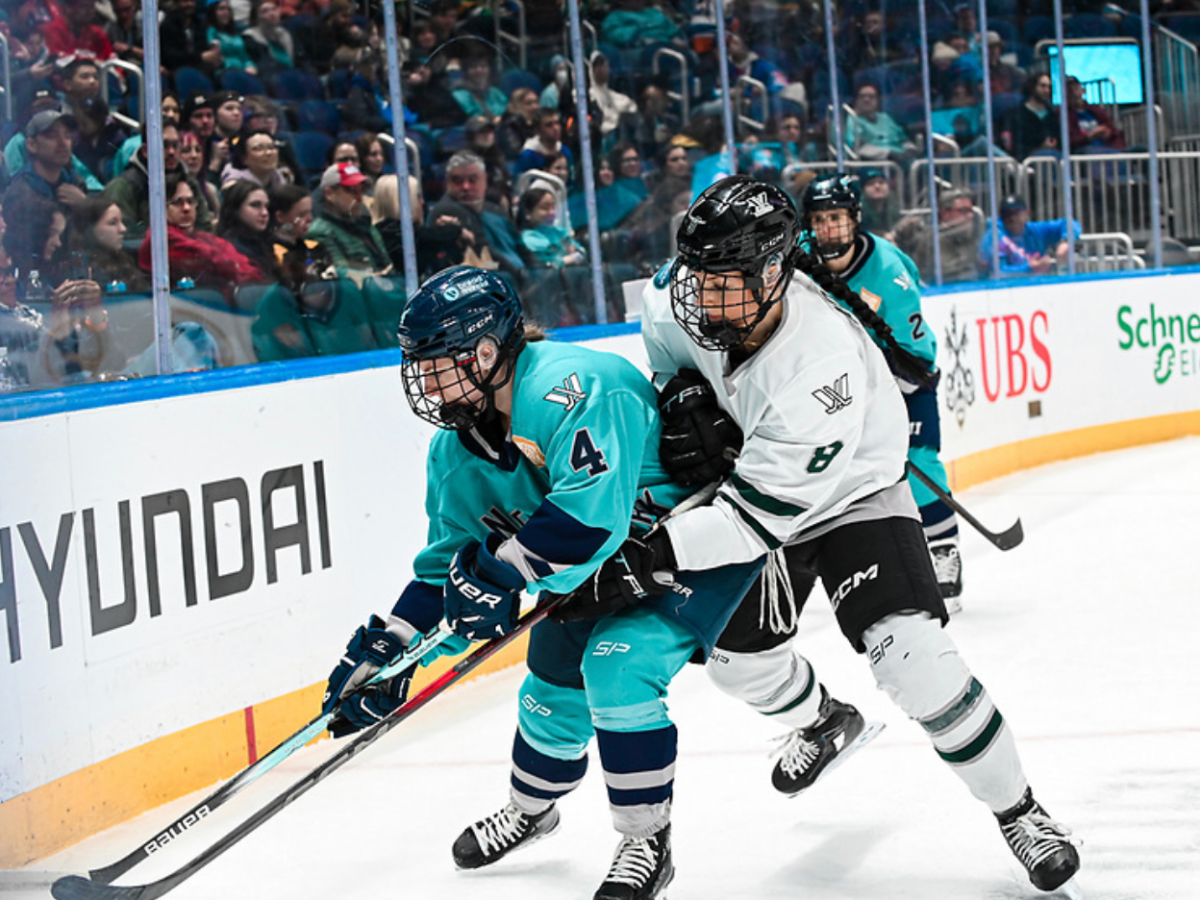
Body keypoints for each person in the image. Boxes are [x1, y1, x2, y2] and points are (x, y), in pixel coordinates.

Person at [638, 174, 1081, 895]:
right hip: (760, 487)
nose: (703, 299)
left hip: (852, 494)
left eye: (725, 283)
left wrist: (655, 553)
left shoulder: (822, 360)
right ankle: (822, 721)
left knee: (914, 656)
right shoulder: (674, 297)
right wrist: (680, 390)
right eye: (699, 279)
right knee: (733, 664)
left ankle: (1020, 812)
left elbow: (756, 520)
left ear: (774, 272)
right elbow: (666, 353)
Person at [319, 264, 763, 900]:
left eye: (437, 364)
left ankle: (646, 840)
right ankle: (532, 811)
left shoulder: (576, 386)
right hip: (589, 573)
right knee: (550, 691)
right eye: (418, 367)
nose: (425, 382)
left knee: (618, 669)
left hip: (684, 547)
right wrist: (395, 650)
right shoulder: (456, 449)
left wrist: (498, 576)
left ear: (486, 352)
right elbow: (446, 563)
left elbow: (588, 523)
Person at [798, 172, 966, 603]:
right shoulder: (796, 259)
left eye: (836, 217)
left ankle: (944, 548)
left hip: (904, 380)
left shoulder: (888, 271)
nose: (828, 228)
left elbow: (913, 352)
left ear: (855, 218)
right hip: (831, 385)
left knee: (920, 463)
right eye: (819, 219)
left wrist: (881, 396)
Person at [140, 170, 263, 295]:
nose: (187, 208)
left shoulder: (203, 237)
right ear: (161, 207)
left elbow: (253, 270)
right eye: (177, 203)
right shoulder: (160, 239)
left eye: (190, 201)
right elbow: (222, 264)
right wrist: (236, 267)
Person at [305, 162, 391, 278]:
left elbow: (387, 265)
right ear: (329, 193)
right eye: (351, 191)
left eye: (361, 190)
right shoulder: (320, 232)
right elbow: (344, 277)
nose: (359, 198)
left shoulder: (367, 226)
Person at [892, 188, 985, 284]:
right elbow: (949, 273)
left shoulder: (970, 235)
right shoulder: (934, 239)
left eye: (971, 211)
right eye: (963, 211)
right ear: (945, 214)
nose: (970, 216)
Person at [979, 194, 1081, 278]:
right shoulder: (994, 236)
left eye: (1016, 213)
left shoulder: (1035, 230)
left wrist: (1066, 241)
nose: (1012, 218)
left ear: (1027, 213)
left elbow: (1070, 223)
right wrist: (1029, 268)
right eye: (1006, 214)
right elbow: (998, 272)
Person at [68, 195, 149, 293]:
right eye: (113, 223)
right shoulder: (80, 270)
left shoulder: (125, 260)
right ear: (89, 228)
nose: (123, 229)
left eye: (122, 222)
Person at [216, 178, 276, 277]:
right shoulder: (230, 248)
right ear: (235, 209)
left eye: (266, 206)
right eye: (255, 205)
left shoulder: (268, 241)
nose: (264, 213)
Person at [845, 82, 918, 163]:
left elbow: (903, 139)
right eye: (862, 96)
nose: (866, 100)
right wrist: (888, 154)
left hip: (900, 161)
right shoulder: (852, 120)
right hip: (873, 163)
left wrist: (910, 149)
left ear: (878, 100)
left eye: (871, 97)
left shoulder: (885, 118)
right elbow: (857, 148)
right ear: (856, 100)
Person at [517, 186, 585, 268]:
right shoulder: (528, 239)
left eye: (553, 207)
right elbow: (549, 265)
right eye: (545, 208)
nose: (552, 213)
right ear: (527, 213)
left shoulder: (559, 232)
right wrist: (570, 258)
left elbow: (582, 252)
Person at [998, 72, 1061, 160]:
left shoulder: (1052, 114)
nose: (1047, 90)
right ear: (1032, 87)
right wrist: (1041, 148)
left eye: (1049, 87)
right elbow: (1018, 146)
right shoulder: (1017, 114)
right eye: (1043, 86)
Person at [1065, 76, 1125, 153]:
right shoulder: (1066, 115)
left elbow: (1113, 132)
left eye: (1076, 89)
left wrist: (1108, 133)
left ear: (1083, 91)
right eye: (1070, 91)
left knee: (1140, 149)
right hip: (1084, 150)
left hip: (1107, 146)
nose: (1075, 94)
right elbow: (1072, 140)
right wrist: (1090, 135)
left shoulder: (1096, 110)